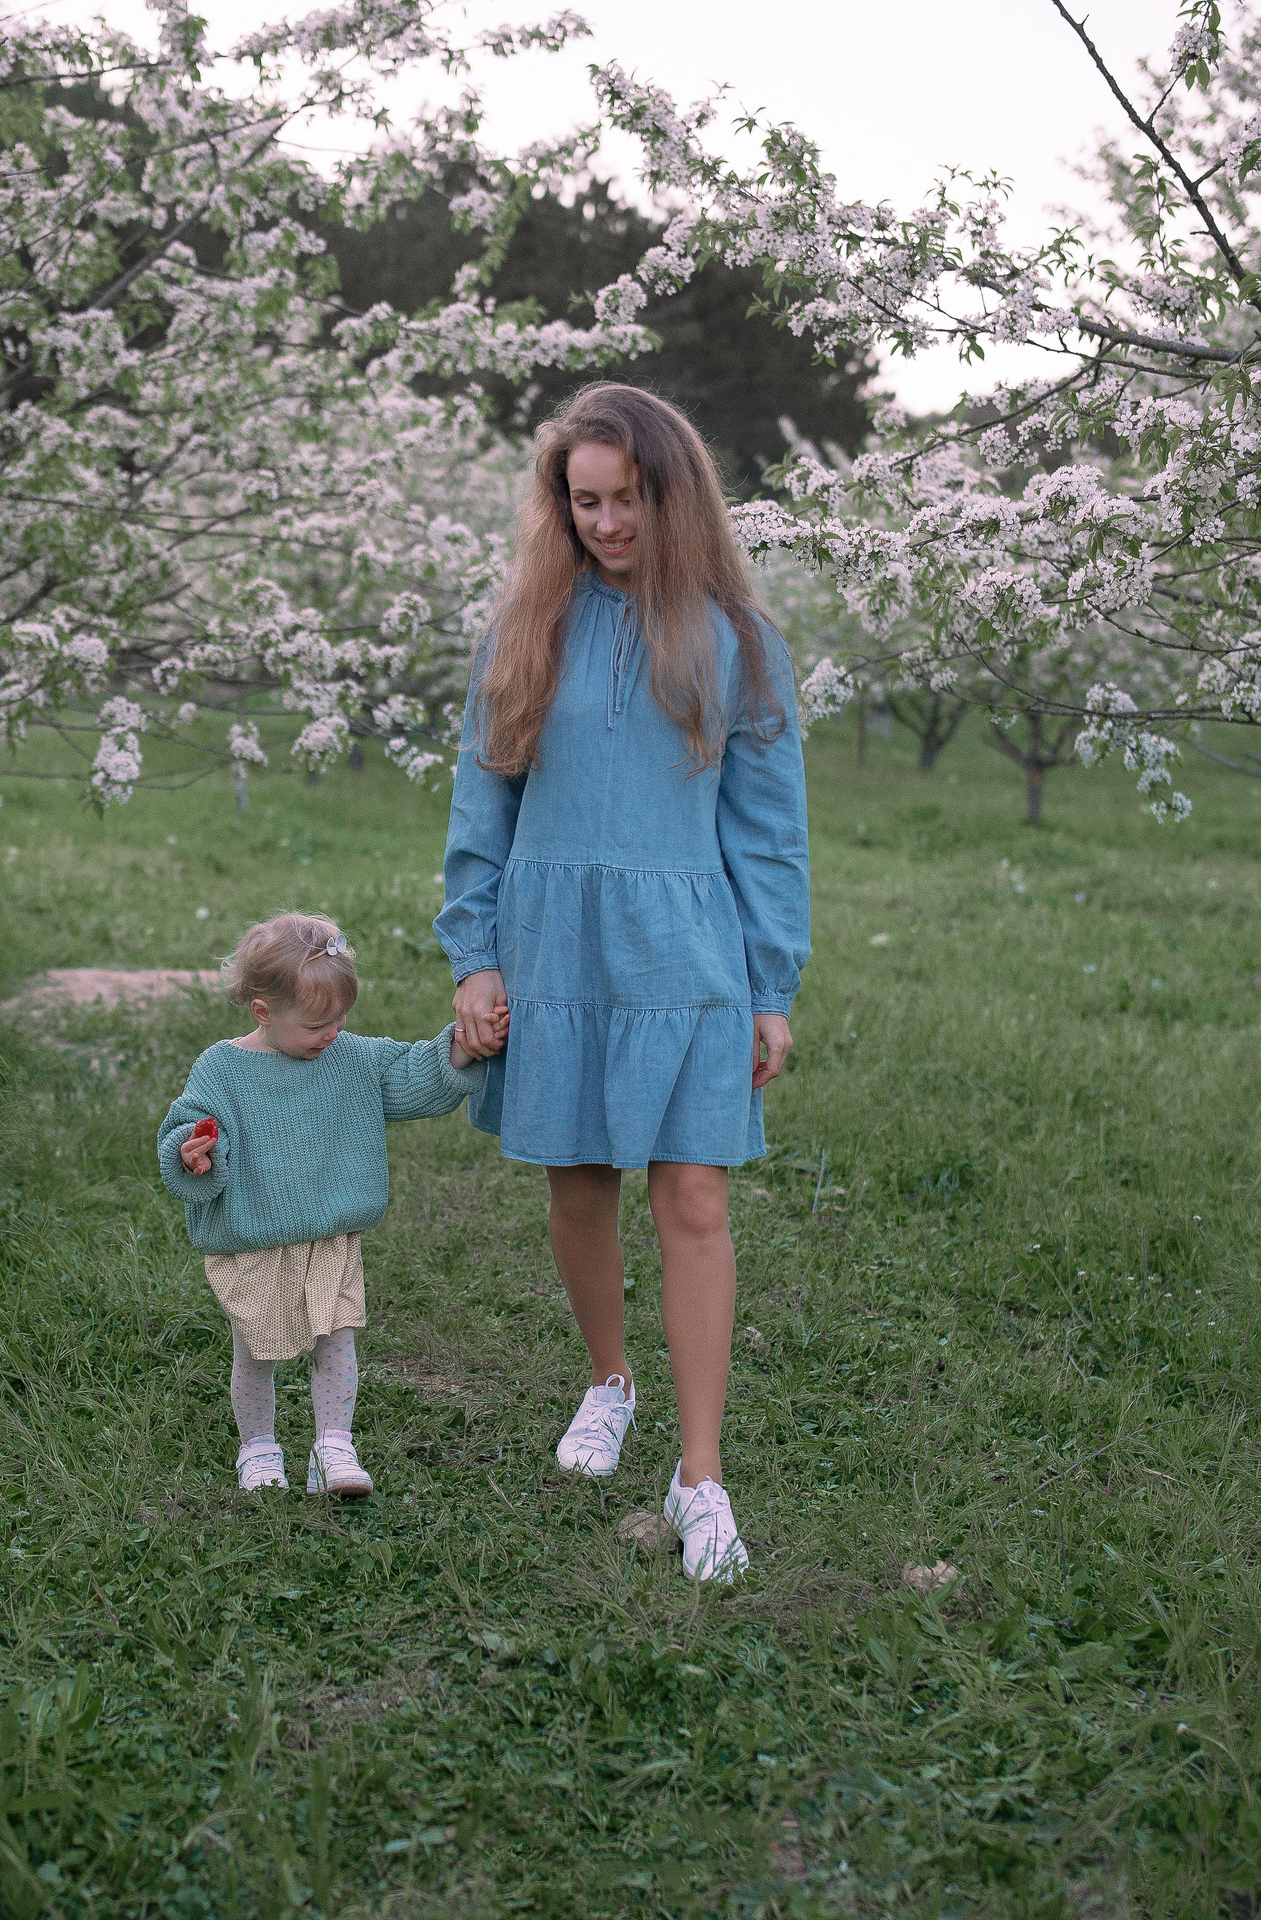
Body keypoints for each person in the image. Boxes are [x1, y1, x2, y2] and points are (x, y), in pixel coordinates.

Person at [436, 383, 810, 1584]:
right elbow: (478, 806)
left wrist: (769, 984)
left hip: (686, 952)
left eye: (627, 498)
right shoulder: (522, 631)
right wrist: (475, 955)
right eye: (582, 500)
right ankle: (610, 1378)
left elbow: (768, 833)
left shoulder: (738, 641)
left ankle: (700, 1473)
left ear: (674, 492)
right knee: (580, 1182)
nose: (604, 522)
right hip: (555, 944)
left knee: (693, 1194)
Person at [157, 911, 495, 1497]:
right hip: (253, 1238)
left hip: (331, 1236)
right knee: (255, 1351)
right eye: (317, 1024)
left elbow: (411, 1074)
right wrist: (193, 1153)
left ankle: (333, 1446)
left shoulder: (351, 1059)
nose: (332, 1034)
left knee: (336, 1341)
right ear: (264, 1011)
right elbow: (187, 1126)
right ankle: (258, 1448)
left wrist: (462, 1050)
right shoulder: (223, 1069)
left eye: (341, 1019)